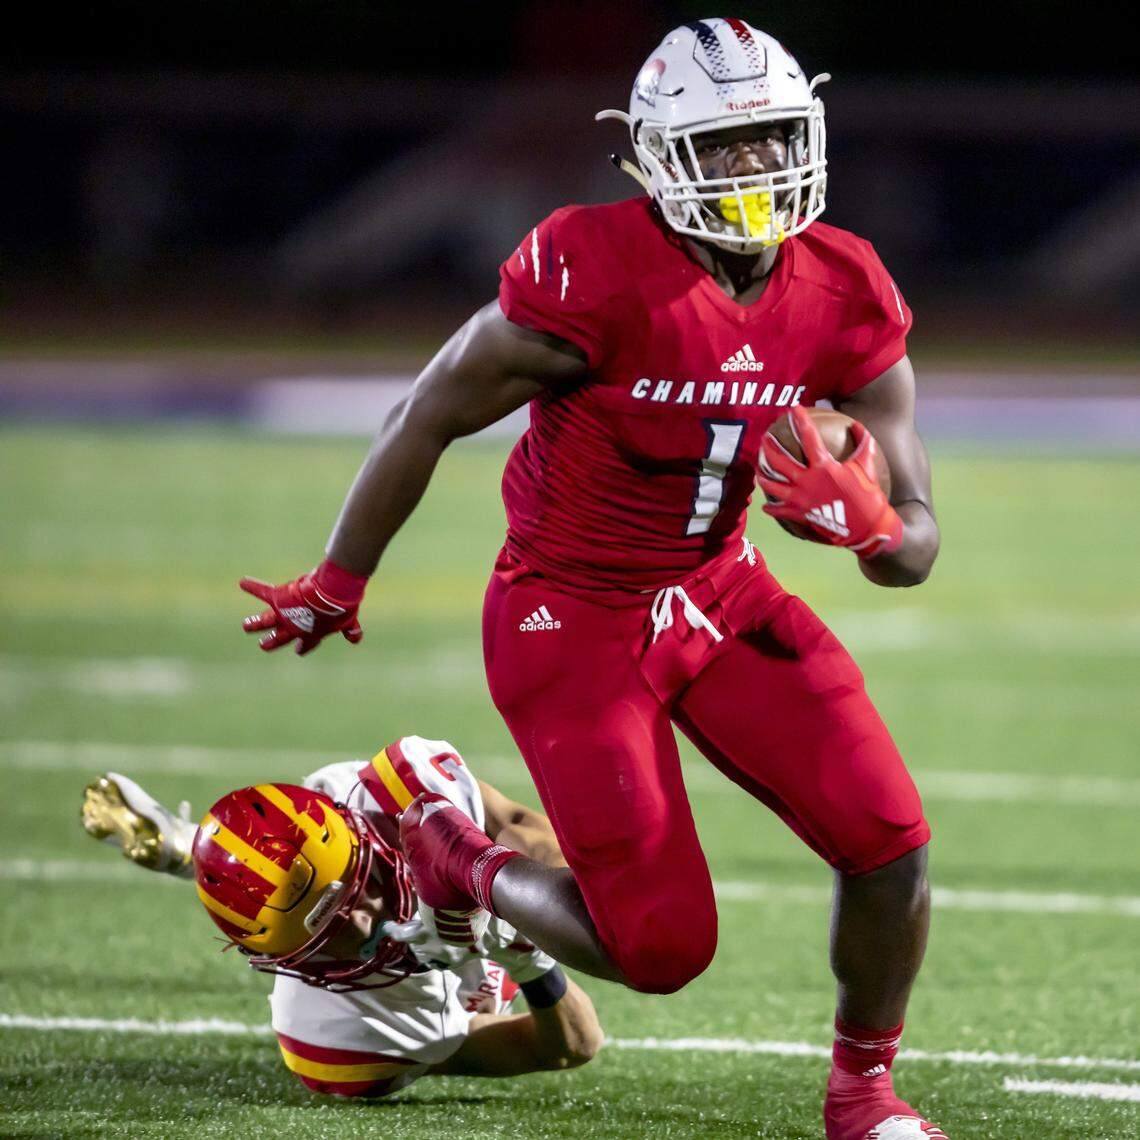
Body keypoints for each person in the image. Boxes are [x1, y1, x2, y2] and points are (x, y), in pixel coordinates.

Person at [239, 18, 944, 1139]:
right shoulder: (593, 268)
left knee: (891, 841)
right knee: (661, 949)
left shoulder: (846, 284)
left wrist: (868, 529)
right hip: (569, 616)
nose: (757, 170)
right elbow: (428, 412)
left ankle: (863, 1093)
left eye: (769, 139)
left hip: (722, 591)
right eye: (726, 147)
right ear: (658, 157)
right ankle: (448, 850)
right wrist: (339, 577)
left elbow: (916, 541)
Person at [80, 735, 603, 1097]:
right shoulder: (335, 1038)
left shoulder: (394, 797)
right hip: (427, 990)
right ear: (289, 962)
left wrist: (497, 883)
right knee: (491, 992)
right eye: (326, 940)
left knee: (607, 921)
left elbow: (523, 828)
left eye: (360, 891)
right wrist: (529, 959)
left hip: (391, 846)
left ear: (367, 842)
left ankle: (185, 847)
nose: (364, 926)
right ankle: (189, 851)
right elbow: (571, 1046)